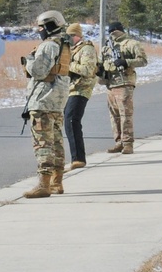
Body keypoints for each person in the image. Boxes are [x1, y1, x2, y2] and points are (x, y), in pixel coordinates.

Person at [22, 10, 71, 199]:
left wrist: (29, 60)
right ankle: (56, 182)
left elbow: (39, 71)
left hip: (43, 100)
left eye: (41, 27)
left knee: (43, 143)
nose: (39, 30)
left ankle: (44, 184)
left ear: (50, 25)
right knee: (57, 142)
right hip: (57, 101)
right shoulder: (64, 45)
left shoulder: (48, 45)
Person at [97, 21, 148, 154]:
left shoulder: (131, 44)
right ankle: (119, 141)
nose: (113, 33)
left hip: (124, 82)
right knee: (114, 115)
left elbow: (143, 60)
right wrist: (99, 70)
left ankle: (127, 143)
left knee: (125, 114)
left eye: (114, 31)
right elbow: (101, 63)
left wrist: (126, 62)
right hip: (110, 83)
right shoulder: (107, 47)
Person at [63, 23, 98, 172]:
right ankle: (75, 157)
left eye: (71, 36)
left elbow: (88, 69)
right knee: (68, 121)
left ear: (77, 35)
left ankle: (78, 158)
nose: (69, 39)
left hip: (81, 89)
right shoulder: (72, 50)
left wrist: (68, 65)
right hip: (70, 89)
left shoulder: (87, 49)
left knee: (72, 120)